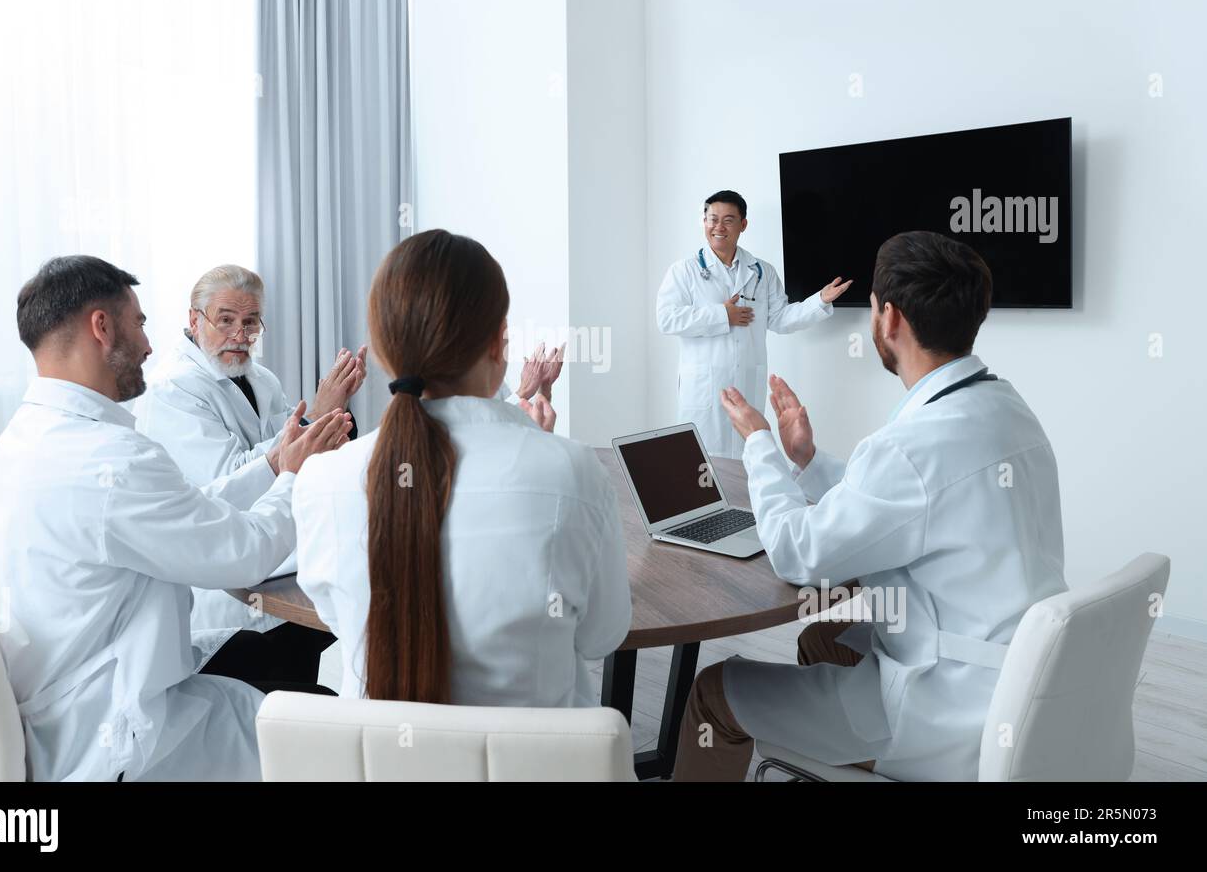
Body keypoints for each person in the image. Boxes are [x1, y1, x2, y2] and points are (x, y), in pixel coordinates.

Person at [672, 231, 1066, 782]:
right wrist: (806, 459)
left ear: (890, 320)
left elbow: (796, 553)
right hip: (1016, 674)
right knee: (822, 637)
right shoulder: (1004, 406)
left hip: (945, 709)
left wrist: (759, 443)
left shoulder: (909, 447)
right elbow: (907, 502)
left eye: (875, 307)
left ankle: (868, 750)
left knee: (714, 692)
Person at [0, 256, 350, 781]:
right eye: (140, 323)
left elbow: (192, 507)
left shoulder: (29, 436)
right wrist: (292, 477)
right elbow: (245, 553)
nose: (150, 345)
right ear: (102, 328)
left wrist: (271, 465)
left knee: (260, 654)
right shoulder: (110, 460)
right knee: (338, 729)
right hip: (111, 733)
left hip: (69, 693)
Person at [294, 229, 631, 706]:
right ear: (499, 343)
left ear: (386, 351)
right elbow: (602, 636)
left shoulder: (321, 481)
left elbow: (338, 616)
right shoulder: (572, 471)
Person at [134, 264, 364, 644]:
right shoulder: (171, 389)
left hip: (276, 559)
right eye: (225, 320)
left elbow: (296, 452)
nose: (240, 335)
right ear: (194, 319)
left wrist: (330, 419)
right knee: (267, 681)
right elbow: (229, 480)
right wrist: (314, 420)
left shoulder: (261, 378)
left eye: (251, 322)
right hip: (222, 584)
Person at [656, 190, 851, 458]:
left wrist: (819, 300)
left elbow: (780, 319)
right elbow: (667, 319)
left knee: (747, 469)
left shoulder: (762, 271)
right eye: (712, 219)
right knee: (701, 471)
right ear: (704, 222)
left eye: (728, 220)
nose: (718, 227)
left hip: (746, 384)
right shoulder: (684, 271)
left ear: (743, 224)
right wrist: (723, 315)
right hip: (703, 393)